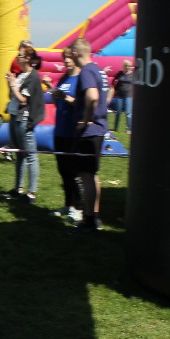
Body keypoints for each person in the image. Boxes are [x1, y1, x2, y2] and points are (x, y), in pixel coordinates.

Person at [68, 38, 108, 234]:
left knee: (86, 176)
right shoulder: (98, 70)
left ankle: (89, 220)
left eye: (70, 55)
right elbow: (106, 94)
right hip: (98, 130)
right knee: (91, 175)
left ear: (76, 54)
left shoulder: (86, 72)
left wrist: (85, 120)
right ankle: (93, 216)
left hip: (89, 133)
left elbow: (93, 96)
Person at [44, 47, 83, 224]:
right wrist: (52, 89)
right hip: (59, 130)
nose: (66, 61)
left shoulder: (81, 78)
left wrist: (66, 97)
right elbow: (56, 101)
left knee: (74, 171)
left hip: (73, 131)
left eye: (69, 57)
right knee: (63, 171)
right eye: (64, 58)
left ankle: (79, 208)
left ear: (75, 58)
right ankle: (68, 204)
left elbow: (82, 104)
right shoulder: (64, 78)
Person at [3, 40, 45, 203]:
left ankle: (31, 193)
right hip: (14, 116)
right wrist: (10, 83)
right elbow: (13, 96)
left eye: (19, 55)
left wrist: (13, 85)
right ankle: (18, 189)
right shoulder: (21, 75)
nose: (17, 58)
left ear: (27, 59)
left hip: (24, 119)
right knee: (19, 153)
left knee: (30, 155)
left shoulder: (32, 77)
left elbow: (23, 100)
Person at [109, 59, 134, 133]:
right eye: (128, 66)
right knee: (118, 112)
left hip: (129, 95)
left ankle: (129, 129)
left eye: (130, 66)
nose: (129, 67)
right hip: (120, 95)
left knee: (128, 113)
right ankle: (115, 128)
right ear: (125, 66)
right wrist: (115, 89)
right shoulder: (120, 73)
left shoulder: (133, 75)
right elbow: (114, 81)